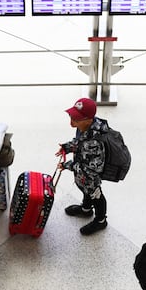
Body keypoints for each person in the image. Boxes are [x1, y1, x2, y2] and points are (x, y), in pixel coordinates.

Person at [57, 97, 108, 235]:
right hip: (83, 174)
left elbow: (89, 167)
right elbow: (79, 142)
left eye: (76, 119)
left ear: (88, 120)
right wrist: (67, 147)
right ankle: (86, 209)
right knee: (86, 190)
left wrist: (67, 165)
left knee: (95, 195)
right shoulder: (84, 128)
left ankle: (101, 220)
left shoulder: (93, 142)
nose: (71, 122)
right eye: (71, 117)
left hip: (91, 175)